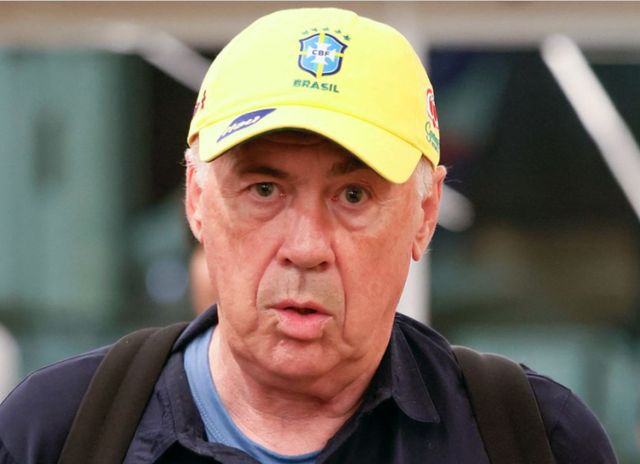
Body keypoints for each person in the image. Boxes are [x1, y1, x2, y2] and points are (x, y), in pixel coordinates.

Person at [0, 7, 616, 464]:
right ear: (196, 200)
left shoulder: (533, 440)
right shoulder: (54, 435)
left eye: (353, 196)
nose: (305, 247)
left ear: (425, 214)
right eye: (264, 190)